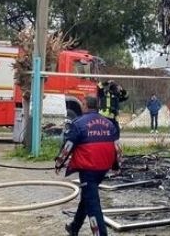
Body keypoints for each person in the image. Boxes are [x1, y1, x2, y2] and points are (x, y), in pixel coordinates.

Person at [55, 96, 120, 236]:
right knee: (87, 197)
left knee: (93, 206)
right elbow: (117, 148)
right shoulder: (109, 124)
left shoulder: (78, 123)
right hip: (103, 169)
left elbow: (68, 146)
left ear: (84, 105)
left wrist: (59, 163)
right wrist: (116, 166)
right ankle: (74, 228)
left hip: (88, 169)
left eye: (82, 104)